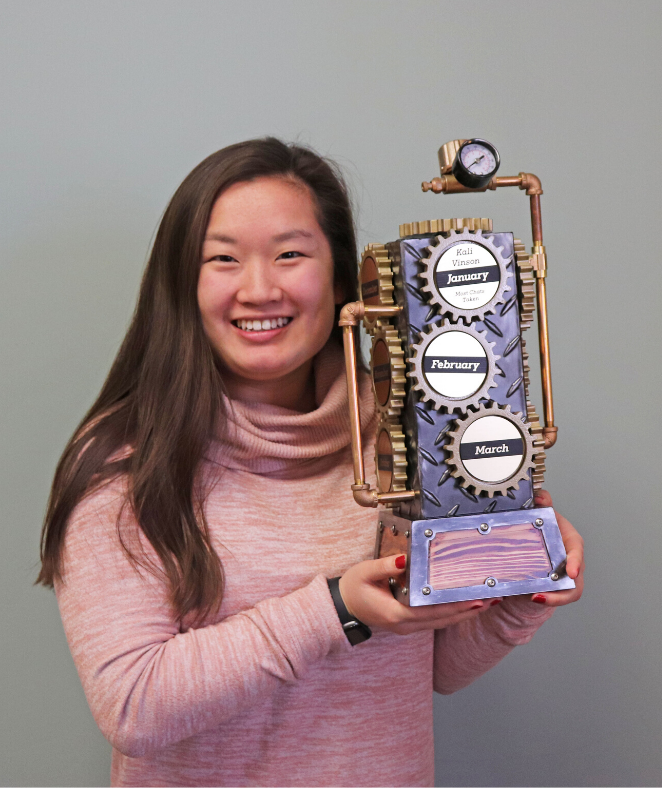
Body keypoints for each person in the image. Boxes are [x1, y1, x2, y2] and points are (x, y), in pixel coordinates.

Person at [37, 137, 584, 787]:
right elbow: (133, 706)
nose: (260, 288)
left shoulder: (413, 431)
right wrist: (336, 610)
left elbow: (431, 667)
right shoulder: (129, 462)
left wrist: (520, 593)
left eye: (291, 254)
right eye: (224, 260)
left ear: (340, 277)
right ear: (182, 282)